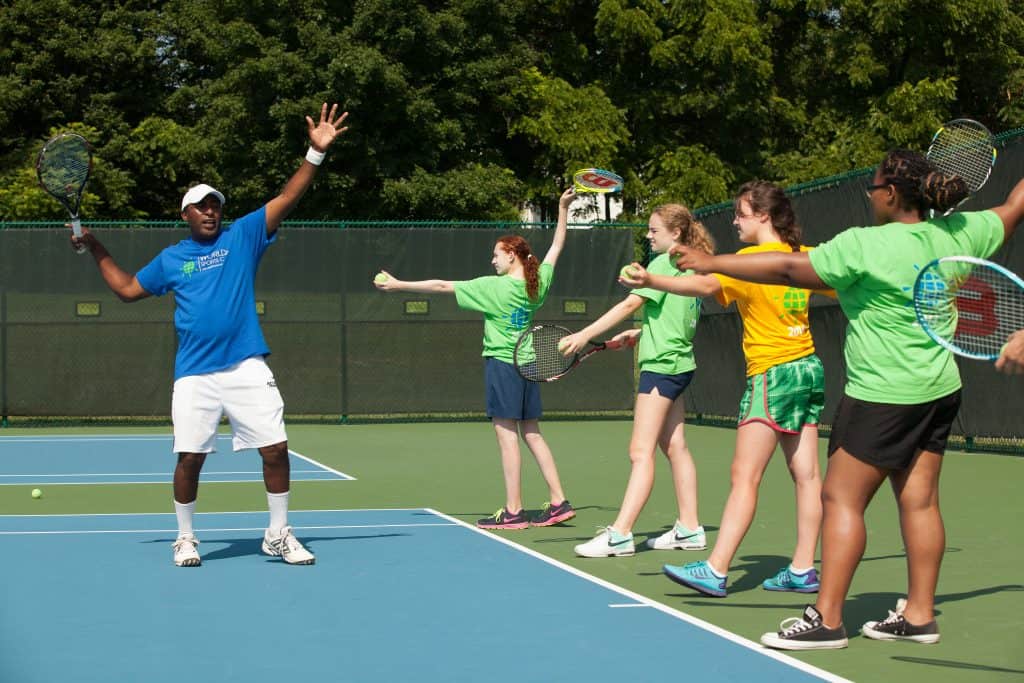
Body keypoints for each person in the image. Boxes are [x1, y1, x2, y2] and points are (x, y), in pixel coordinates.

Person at [673, 150, 1024, 650]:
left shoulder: (863, 246)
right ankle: (920, 615)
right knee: (920, 502)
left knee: (840, 499)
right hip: (939, 392)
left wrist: (711, 262)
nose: (869, 192)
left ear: (892, 194)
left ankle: (827, 620)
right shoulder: (963, 232)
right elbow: (1015, 202)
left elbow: (789, 269)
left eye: (874, 184)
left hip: (880, 396)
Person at [72, 103, 350, 567]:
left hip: (245, 363)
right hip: (195, 374)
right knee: (190, 459)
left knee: (277, 449)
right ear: (185, 214)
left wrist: (315, 153)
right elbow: (124, 290)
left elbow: (288, 197)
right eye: (201, 206)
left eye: (215, 205)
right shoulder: (170, 259)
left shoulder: (242, 237)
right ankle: (185, 538)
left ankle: (279, 534)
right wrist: (95, 245)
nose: (210, 212)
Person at [621, 181, 826, 596]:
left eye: (742, 213)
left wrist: (652, 281)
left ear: (764, 217)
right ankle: (803, 568)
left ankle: (715, 569)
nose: (734, 220)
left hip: (772, 374)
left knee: (744, 476)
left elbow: (704, 286)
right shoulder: (804, 258)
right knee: (807, 476)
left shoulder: (749, 260)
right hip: (809, 370)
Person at [374, 188, 576, 529]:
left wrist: (398, 285)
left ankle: (513, 511)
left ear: (512, 255)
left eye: (496, 255)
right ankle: (558, 501)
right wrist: (561, 209)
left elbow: (441, 286)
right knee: (532, 434)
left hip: (503, 364)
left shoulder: (493, 288)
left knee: (506, 436)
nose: (492, 260)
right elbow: (556, 247)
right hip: (527, 366)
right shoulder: (536, 283)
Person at [563, 204, 713, 558]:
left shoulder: (663, 265)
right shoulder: (690, 265)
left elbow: (628, 305)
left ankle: (620, 534)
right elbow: (673, 320)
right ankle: (690, 528)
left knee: (640, 452)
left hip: (661, 367)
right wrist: (639, 333)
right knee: (675, 447)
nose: (648, 235)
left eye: (654, 230)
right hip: (678, 364)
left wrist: (584, 334)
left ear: (675, 233)